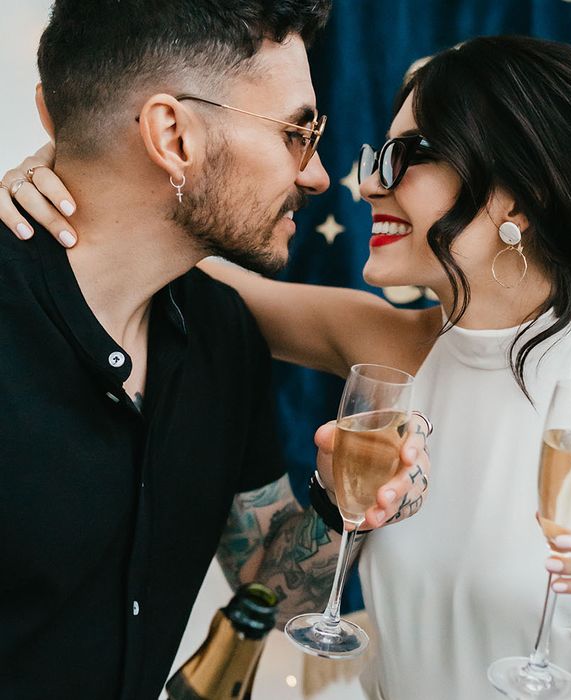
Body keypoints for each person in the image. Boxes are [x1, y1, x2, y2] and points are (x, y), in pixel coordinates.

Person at [4, 35, 571, 700]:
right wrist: (69, 172)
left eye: (406, 156)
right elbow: (169, 255)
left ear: (517, 195)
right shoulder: (383, 343)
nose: (366, 184)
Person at [0, 2, 431, 699]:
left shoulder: (222, 331)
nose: (318, 174)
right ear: (173, 136)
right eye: (297, 132)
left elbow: (275, 592)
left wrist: (340, 501)